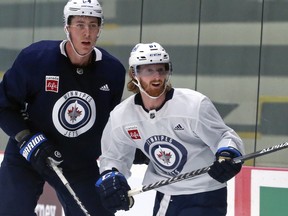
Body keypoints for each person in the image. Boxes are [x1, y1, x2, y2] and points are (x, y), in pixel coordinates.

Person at [0, 0, 126, 215]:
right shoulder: (36, 59)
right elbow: (4, 106)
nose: (86, 32)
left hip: (78, 163)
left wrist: (116, 167)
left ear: (99, 30)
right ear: (67, 27)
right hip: (29, 154)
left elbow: (111, 125)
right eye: (80, 24)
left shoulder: (112, 71)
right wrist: (26, 138)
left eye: (93, 25)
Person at [95, 42, 245, 216]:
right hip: (167, 195)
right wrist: (112, 177)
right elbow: (113, 157)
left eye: (161, 69)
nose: (157, 77)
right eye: (148, 70)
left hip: (206, 193)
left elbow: (224, 136)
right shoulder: (122, 116)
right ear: (133, 74)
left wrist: (228, 154)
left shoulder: (194, 105)